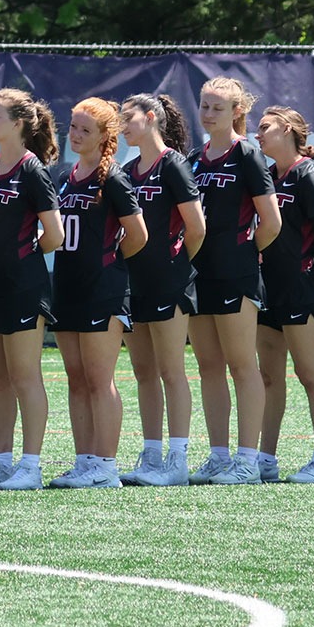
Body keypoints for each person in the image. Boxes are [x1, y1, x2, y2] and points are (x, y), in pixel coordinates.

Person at [0, 89, 63, 491]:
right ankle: (2, 461)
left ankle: (32, 466)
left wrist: (21, 254)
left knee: (25, 376)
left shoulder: (32, 169)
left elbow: (54, 235)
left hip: (24, 286)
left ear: (19, 123)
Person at [46, 98, 147, 488]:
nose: (75, 135)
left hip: (103, 289)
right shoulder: (68, 176)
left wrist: (109, 262)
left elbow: (138, 235)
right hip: (68, 286)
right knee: (76, 378)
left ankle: (106, 466)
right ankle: (85, 460)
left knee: (100, 378)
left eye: (85, 130)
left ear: (105, 136)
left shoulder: (114, 179)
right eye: (73, 127)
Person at [186, 77, 281, 485]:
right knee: (208, 366)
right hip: (197, 274)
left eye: (217, 108)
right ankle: (219, 456)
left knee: (243, 366)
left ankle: (247, 460)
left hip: (236, 275)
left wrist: (243, 253)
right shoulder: (193, 158)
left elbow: (272, 223)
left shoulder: (248, 156)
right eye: (204, 106)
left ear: (237, 112)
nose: (208, 114)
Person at [117, 93, 204, 487]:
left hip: (169, 281)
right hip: (135, 282)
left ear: (151, 118)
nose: (121, 126)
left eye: (128, 118)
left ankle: (178, 459)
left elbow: (196, 227)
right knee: (144, 372)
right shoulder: (128, 168)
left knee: (171, 370)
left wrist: (175, 263)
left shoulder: (173, 164)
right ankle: (151, 455)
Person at [253, 107, 314, 485]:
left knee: (309, 374)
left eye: (264, 128)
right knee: (269, 377)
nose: (257, 135)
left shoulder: (309, 174)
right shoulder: (269, 175)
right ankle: (265, 459)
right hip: (267, 287)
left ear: (287, 130)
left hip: (299, 287)